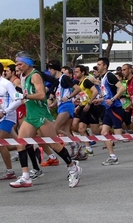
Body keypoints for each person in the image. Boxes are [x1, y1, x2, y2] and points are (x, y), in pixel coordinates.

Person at [9, 51, 82, 188]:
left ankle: (73, 168)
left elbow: (41, 95)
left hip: (41, 115)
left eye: (20, 64)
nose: (17, 67)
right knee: (21, 144)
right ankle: (26, 177)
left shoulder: (35, 75)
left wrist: (25, 96)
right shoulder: (23, 76)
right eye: (16, 64)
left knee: (54, 144)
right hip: (31, 115)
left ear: (28, 63)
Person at [93, 57, 125, 166]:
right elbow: (107, 95)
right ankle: (113, 157)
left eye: (99, 64)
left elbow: (121, 88)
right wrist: (99, 100)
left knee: (118, 136)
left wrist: (112, 99)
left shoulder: (110, 76)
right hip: (107, 109)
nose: (97, 66)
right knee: (104, 133)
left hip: (115, 108)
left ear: (105, 66)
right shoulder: (102, 78)